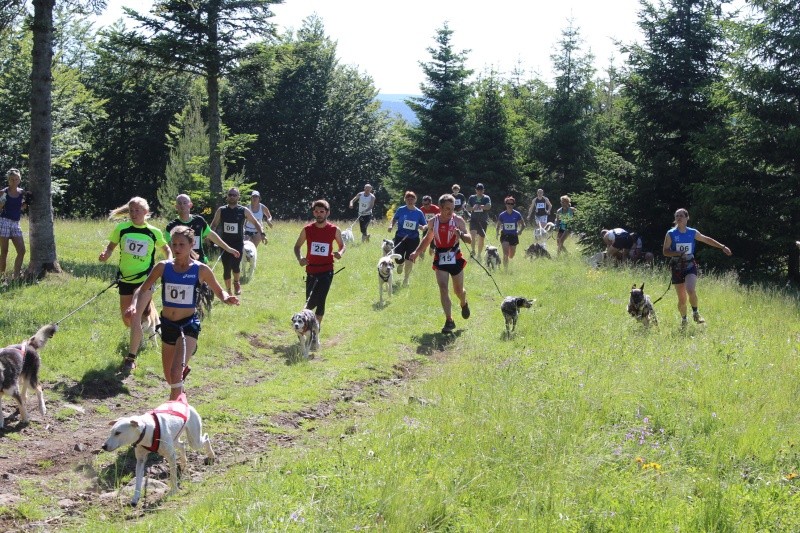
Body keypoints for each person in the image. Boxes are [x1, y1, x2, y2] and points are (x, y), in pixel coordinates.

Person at [127, 226, 239, 400]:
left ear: (192, 244)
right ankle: (181, 399)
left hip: (188, 325)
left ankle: (174, 412)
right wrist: (134, 305)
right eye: (174, 244)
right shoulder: (163, 267)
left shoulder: (201, 270)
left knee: (175, 371)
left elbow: (219, 291)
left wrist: (226, 298)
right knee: (169, 376)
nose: (177, 248)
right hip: (167, 325)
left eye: (181, 245)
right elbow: (142, 289)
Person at [99, 196, 172, 371]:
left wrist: (168, 262)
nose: (133, 213)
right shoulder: (122, 229)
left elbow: (167, 249)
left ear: (146, 213)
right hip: (125, 279)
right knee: (127, 319)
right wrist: (105, 255)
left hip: (145, 279)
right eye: (131, 210)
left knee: (135, 315)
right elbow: (110, 247)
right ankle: (146, 323)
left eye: (137, 210)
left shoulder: (154, 232)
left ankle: (131, 358)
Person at [408, 194, 472, 334]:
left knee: (458, 291)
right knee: (443, 288)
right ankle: (449, 320)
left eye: (453, 208)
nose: (451, 211)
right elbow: (427, 238)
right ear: (441, 208)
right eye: (448, 208)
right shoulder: (433, 222)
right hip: (440, 256)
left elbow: (469, 240)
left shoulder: (458, 220)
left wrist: (460, 233)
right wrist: (416, 252)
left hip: (455, 256)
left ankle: (463, 303)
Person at [662, 208, 732, 327]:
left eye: (681, 216)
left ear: (687, 218)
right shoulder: (671, 233)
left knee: (690, 289)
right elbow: (665, 252)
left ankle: (695, 312)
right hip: (677, 266)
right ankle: (684, 320)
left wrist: (722, 247)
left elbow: (707, 239)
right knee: (682, 299)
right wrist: (678, 253)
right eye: (677, 216)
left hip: (689, 264)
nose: (678, 218)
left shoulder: (692, 232)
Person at [293, 199, 346, 347]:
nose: (319, 214)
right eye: (316, 211)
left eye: (322, 211)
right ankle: (307, 329)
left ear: (327, 213)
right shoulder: (307, 229)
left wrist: (340, 253)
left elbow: (342, 245)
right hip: (311, 270)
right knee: (310, 303)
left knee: (321, 300)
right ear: (313, 212)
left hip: (327, 270)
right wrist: (300, 258)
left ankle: (315, 334)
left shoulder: (334, 230)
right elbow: (297, 247)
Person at [210, 187, 264, 296]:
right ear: (227, 196)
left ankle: (236, 283)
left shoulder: (243, 210)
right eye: (230, 194)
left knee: (235, 265)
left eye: (234, 195)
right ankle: (228, 291)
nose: (232, 197)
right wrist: (209, 237)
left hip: (238, 243)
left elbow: (255, 222)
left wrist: (262, 233)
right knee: (226, 267)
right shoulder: (222, 210)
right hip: (224, 243)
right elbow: (214, 224)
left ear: (238, 197)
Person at [166, 194, 239, 264]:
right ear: (176, 206)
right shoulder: (171, 226)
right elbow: (170, 248)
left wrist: (229, 249)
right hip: (180, 263)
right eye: (179, 203)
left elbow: (212, 235)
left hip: (199, 261)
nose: (182, 205)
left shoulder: (199, 220)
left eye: (185, 203)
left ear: (190, 205)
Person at [387, 191, 428, 286]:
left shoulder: (418, 212)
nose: (410, 201)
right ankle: (401, 264)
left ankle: (406, 279)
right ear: (405, 199)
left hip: (413, 238)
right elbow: (394, 219)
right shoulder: (401, 210)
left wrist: (422, 227)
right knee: (398, 258)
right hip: (400, 236)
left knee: (410, 258)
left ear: (415, 200)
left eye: (412, 199)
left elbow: (425, 224)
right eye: (408, 199)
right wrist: (390, 226)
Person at [0, 168, 27, 278]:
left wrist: (24, 205)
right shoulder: (3, 192)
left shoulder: (21, 192)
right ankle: (2, 276)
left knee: (22, 250)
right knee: (4, 251)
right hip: (4, 222)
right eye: (12, 179)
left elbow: (19, 207)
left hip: (16, 223)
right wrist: (1, 203)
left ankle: (16, 277)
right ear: (8, 180)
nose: (14, 181)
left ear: (19, 180)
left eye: (16, 179)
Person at [496, 196, 526, 271]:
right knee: (505, 254)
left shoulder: (517, 214)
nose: (510, 205)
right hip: (505, 235)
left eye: (511, 204)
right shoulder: (502, 215)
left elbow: (523, 225)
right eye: (508, 203)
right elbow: (498, 225)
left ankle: (508, 260)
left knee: (511, 255)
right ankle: (505, 270)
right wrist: (497, 233)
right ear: (505, 204)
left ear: (513, 205)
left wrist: (520, 231)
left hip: (514, 236)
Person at [467, 183, 491, 257]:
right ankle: (473, 250)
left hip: (483, 220)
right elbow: (468, 207)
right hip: (473, 219)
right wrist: (473, 208)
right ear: (476, 190)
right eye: (478, 190)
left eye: (481, 190)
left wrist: (480, 206)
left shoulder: (486, 198)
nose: (479, 191)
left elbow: (488, 206)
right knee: (473, 234)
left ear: (483, 190)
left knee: (481, 238)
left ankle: (479, 254)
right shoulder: (472, 197)